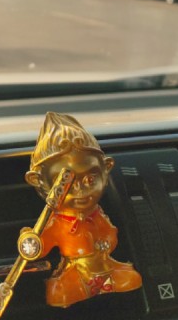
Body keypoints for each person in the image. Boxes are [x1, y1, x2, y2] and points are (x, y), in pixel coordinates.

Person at [24, 112, 142, 308]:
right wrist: (31, 241)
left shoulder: (97, 214)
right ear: (39, 181)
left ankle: (104, 285)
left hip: (104, 264)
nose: (81, 190)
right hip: (76, 270)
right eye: (68, 183)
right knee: (60, 293)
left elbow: (110, 232)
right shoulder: (57, 222)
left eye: (90, 179)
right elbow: (42, 247)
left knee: (130, 278)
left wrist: (106, 242)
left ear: (106, 168)